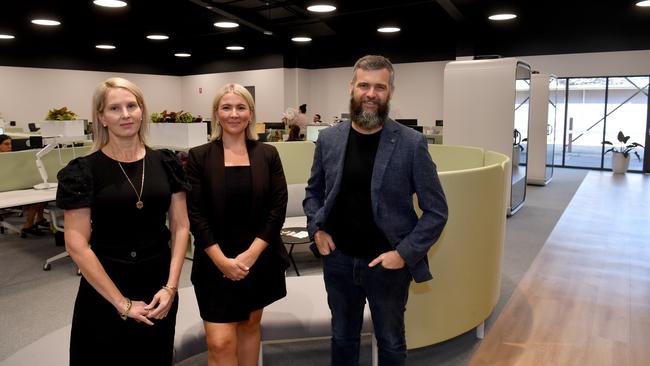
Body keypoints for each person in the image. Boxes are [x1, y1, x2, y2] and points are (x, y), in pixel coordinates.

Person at [303, 55, 448, 365]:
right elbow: (313, 192)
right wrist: (317, 231)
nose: (371, 94)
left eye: (379, 87)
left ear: (390, 92)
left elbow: (437, 211)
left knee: (391, 342)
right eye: (364, 85)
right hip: (338, 262)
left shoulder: (412, 144)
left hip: (387, 266)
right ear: (352, 88)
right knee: (342, 337)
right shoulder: (329, 139)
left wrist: (404, 254)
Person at [56, 77, 190, 365]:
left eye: (132, 105)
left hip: (158, 284)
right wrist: (121, 303)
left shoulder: (166, 163)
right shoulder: (83, 171)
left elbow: (180, 227)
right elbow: (76, 244)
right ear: (101, 117)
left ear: (142, 110)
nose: (126, 115)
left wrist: (171, 287)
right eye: (115, 108)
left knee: (154, 356)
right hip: (105, 285)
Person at [186, 83, 290, 366]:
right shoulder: (198, 156)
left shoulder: (267, 154)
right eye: (227, 107)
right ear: (216, 114)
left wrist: (251, 255)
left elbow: (277, 209)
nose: (234, 114)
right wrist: (222, 261)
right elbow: (195, 214)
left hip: (258, 259)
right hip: (214, 261)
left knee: (248, 328)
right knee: (220, 342)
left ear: (250, 113)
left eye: (241, 107)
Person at [0, 134, 48, 236]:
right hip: (5, 190)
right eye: (6, 144)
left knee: (41, 194)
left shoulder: (12, 157)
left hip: (15, 186)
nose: (10, 147)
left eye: (10, 144)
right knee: (36, 200)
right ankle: (28, 226)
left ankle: (39, 219)